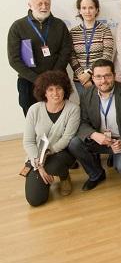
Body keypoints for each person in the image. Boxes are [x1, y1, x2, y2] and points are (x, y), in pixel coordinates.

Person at [68, 59, 121, 191]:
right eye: (98, 77)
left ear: (114, 75)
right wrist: (93, 135)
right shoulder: (86, 94)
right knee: (74, 143)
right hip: (99, 139)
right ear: (92, 78)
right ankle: (96, 174)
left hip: (120, 140)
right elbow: (82, 122)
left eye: (107, 76)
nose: (103, 81)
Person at [8, 0, 72, 116]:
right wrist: (38, 80)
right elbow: (14, 59)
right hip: (29, 82)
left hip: (57, 81)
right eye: (40, 3)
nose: (44, 6)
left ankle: (61, 137)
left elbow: (66, 51)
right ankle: (39, 137)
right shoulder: (18, 26)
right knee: (34, 119)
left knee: (60, 117)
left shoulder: (60, 25)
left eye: (47, 3)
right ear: (30, 5)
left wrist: (52, 77)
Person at [22, 70, 79, 206]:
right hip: (38, 157)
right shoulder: (34, 110)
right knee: (35, 200)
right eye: (50, 89)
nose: (55, 93)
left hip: (61, 152)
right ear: (44, 92)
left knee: (55, 165)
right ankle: (45, 175)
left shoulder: (73, 109)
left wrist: (48, 152)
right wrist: (38, 164)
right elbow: (28, 141)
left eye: (59, 88)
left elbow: (67, 138)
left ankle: (64, 176)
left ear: (64, 89)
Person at [69, 0, 114, 97]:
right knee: (86, 108)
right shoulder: (73, 32)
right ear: (79, 11)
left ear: (97, 10)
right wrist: (82, 76)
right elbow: (71, 56)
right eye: (84, 8)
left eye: (91, 8)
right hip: (80, 80)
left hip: (101, 78)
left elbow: (107, 55)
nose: (87, 11)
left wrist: (89, 74)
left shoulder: (105, 30)